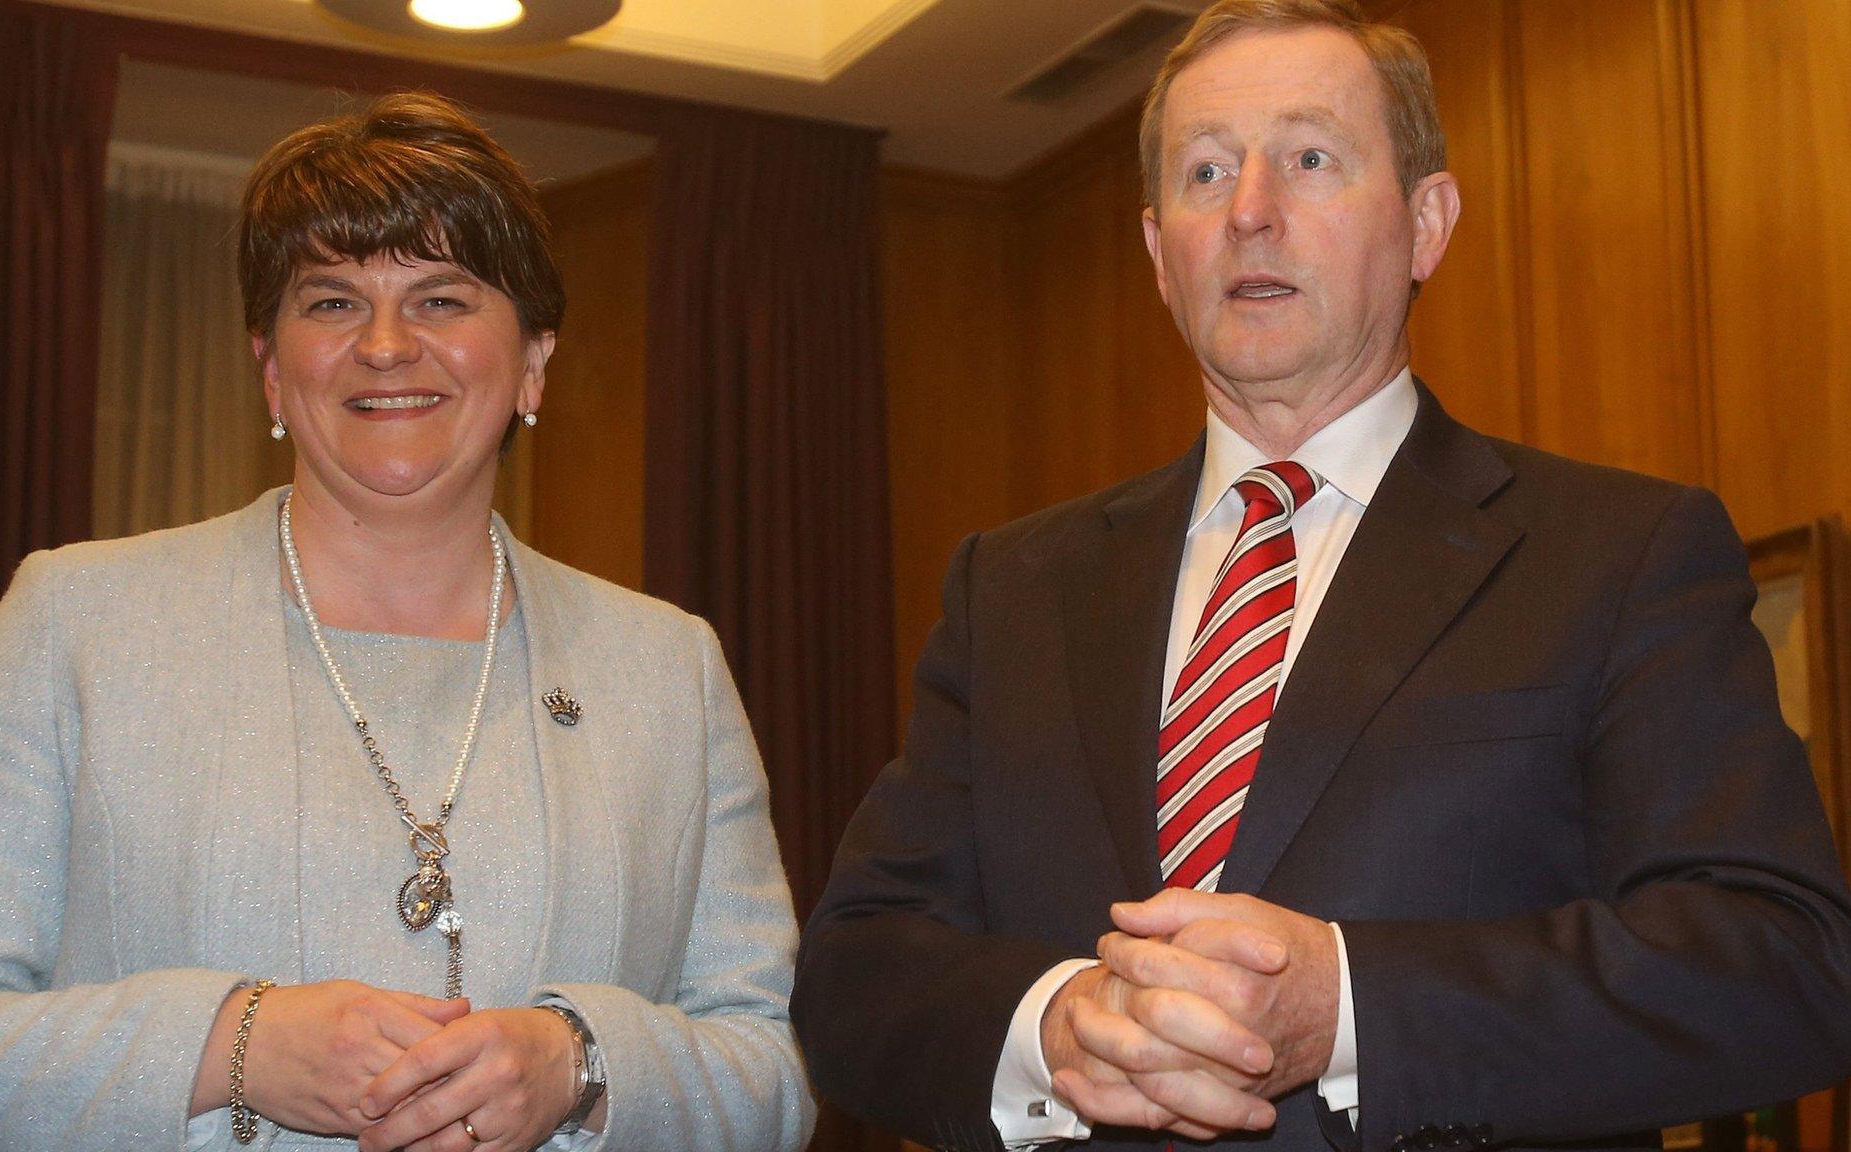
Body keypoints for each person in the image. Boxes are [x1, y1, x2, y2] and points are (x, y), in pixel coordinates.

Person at [792, 3, 1851, 1151]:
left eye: (1309, 159)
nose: (1249, 211)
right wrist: (1052, 1029)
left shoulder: (1619, 555)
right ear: (1158, 254)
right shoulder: (1010, 588)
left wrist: (1347, 1007)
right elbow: (853, 975)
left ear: (1425, 224)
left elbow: (1780, 963)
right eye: (1204, 173)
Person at [0, 92, 814, 1152]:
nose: (385, 345)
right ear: (270, 367)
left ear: (531, 362)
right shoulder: (76, 623)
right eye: (331, 301)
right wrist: (230, 1044)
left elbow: (771, 1073)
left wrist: (579, 1061)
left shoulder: (668, 667)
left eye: (442, 299)